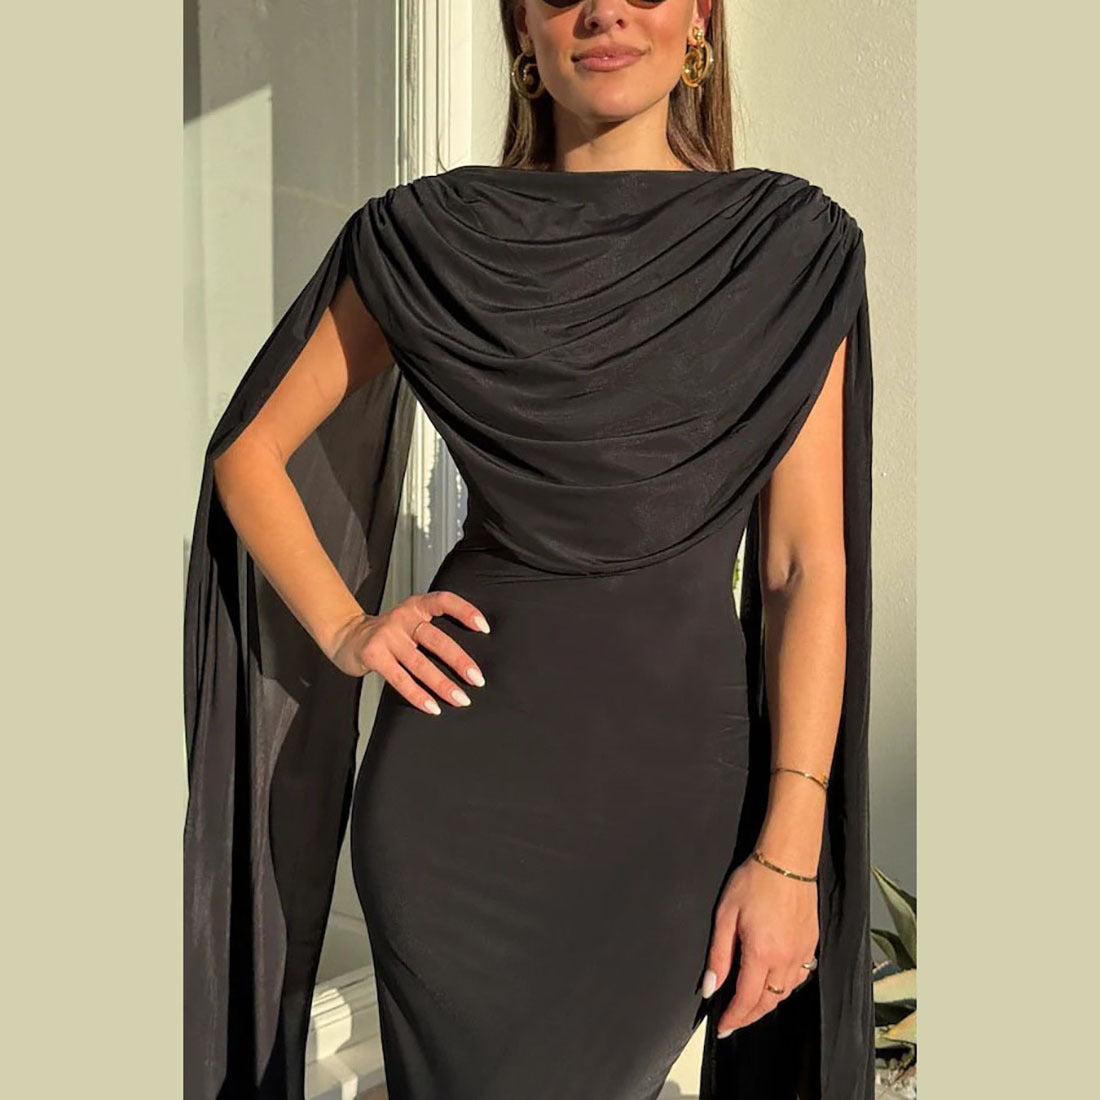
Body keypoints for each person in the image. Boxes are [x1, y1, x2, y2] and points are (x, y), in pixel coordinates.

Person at [183, 2, 876, 1098]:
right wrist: (348, 627)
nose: (601, 9)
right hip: (457, 805)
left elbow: (803, 567)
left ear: (698, 17)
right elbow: (249, 451)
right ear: (522, 29)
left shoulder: (787, 248)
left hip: (668, 821)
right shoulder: (430, 237)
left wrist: (788, 853)